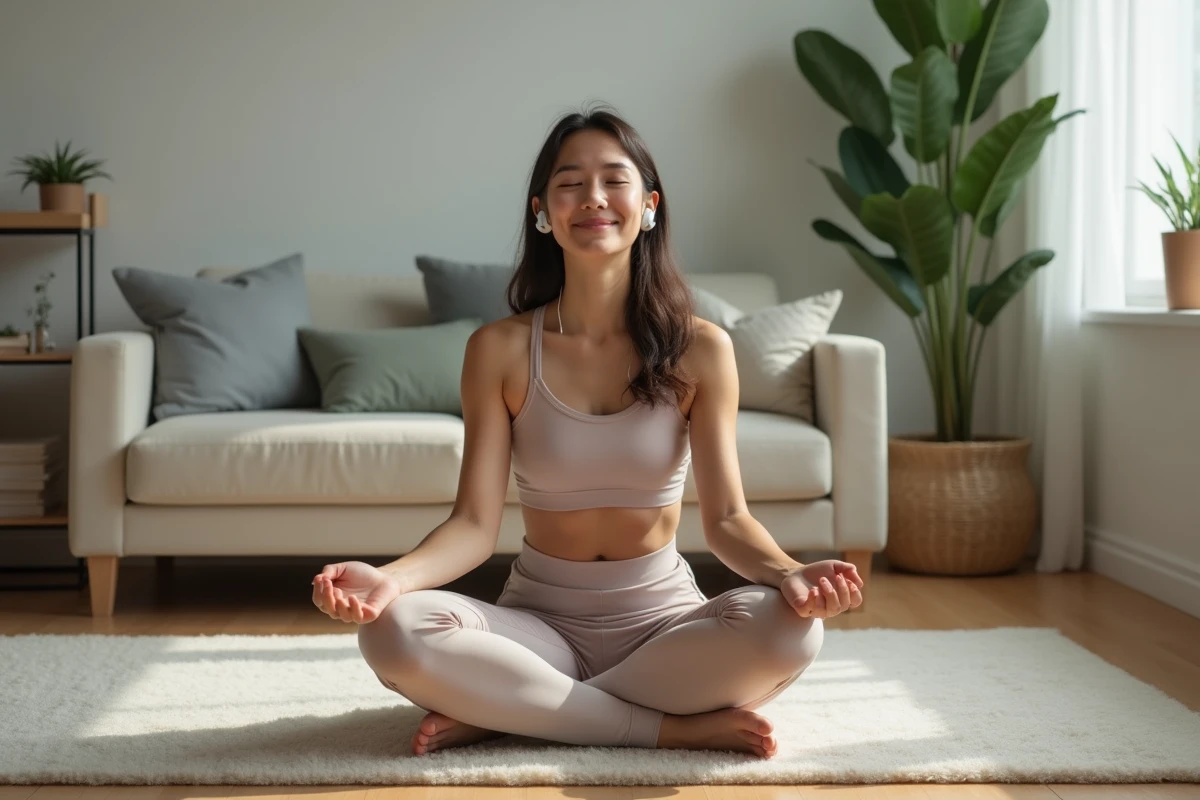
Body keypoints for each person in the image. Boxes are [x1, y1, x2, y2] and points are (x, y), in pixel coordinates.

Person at [311, 105, 864, 759]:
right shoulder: (500, 349)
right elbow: (471, 526)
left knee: (792, 632)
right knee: (391, 631)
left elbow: (728, 521)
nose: (593, 198)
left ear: (649, 204)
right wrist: (391, 581)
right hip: (537, 623)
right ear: (543, 209)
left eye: (614, 179)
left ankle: (520, 709)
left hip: (664, 625)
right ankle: (662, 727)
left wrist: (791, 574)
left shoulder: (701, 350)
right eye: (570, 182)